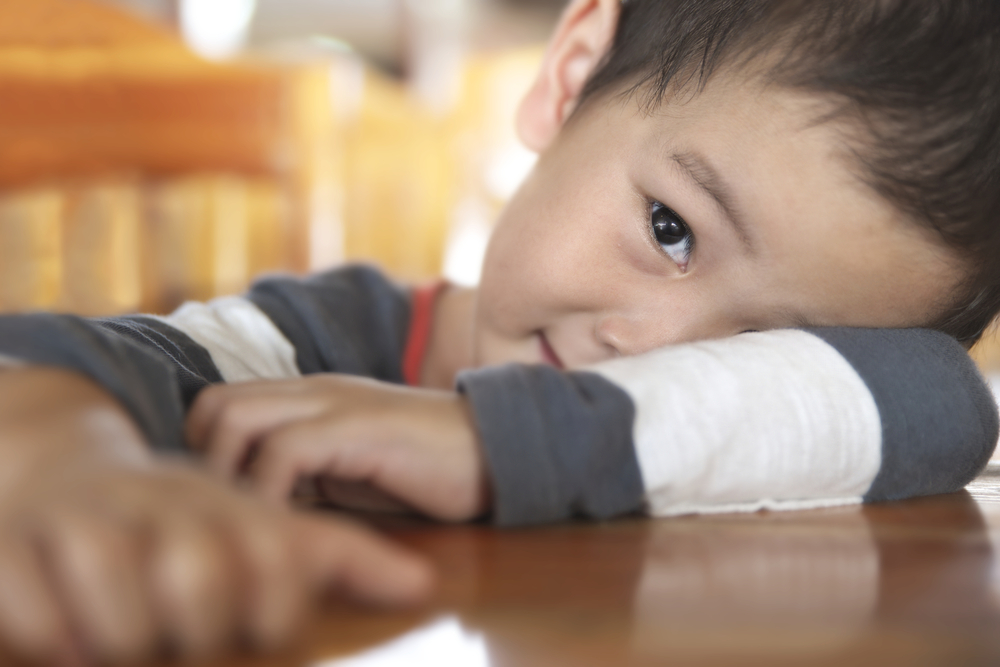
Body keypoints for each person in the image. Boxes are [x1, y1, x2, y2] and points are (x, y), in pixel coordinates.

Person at [0, 0, 998, 661]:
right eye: (670, 228)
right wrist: (60, 451)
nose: (653, 350)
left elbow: (944, 399)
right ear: (569, 79)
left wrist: (510, 438)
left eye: (776, 353)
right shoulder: (316, 343)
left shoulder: (808, 436)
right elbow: (82, 365)